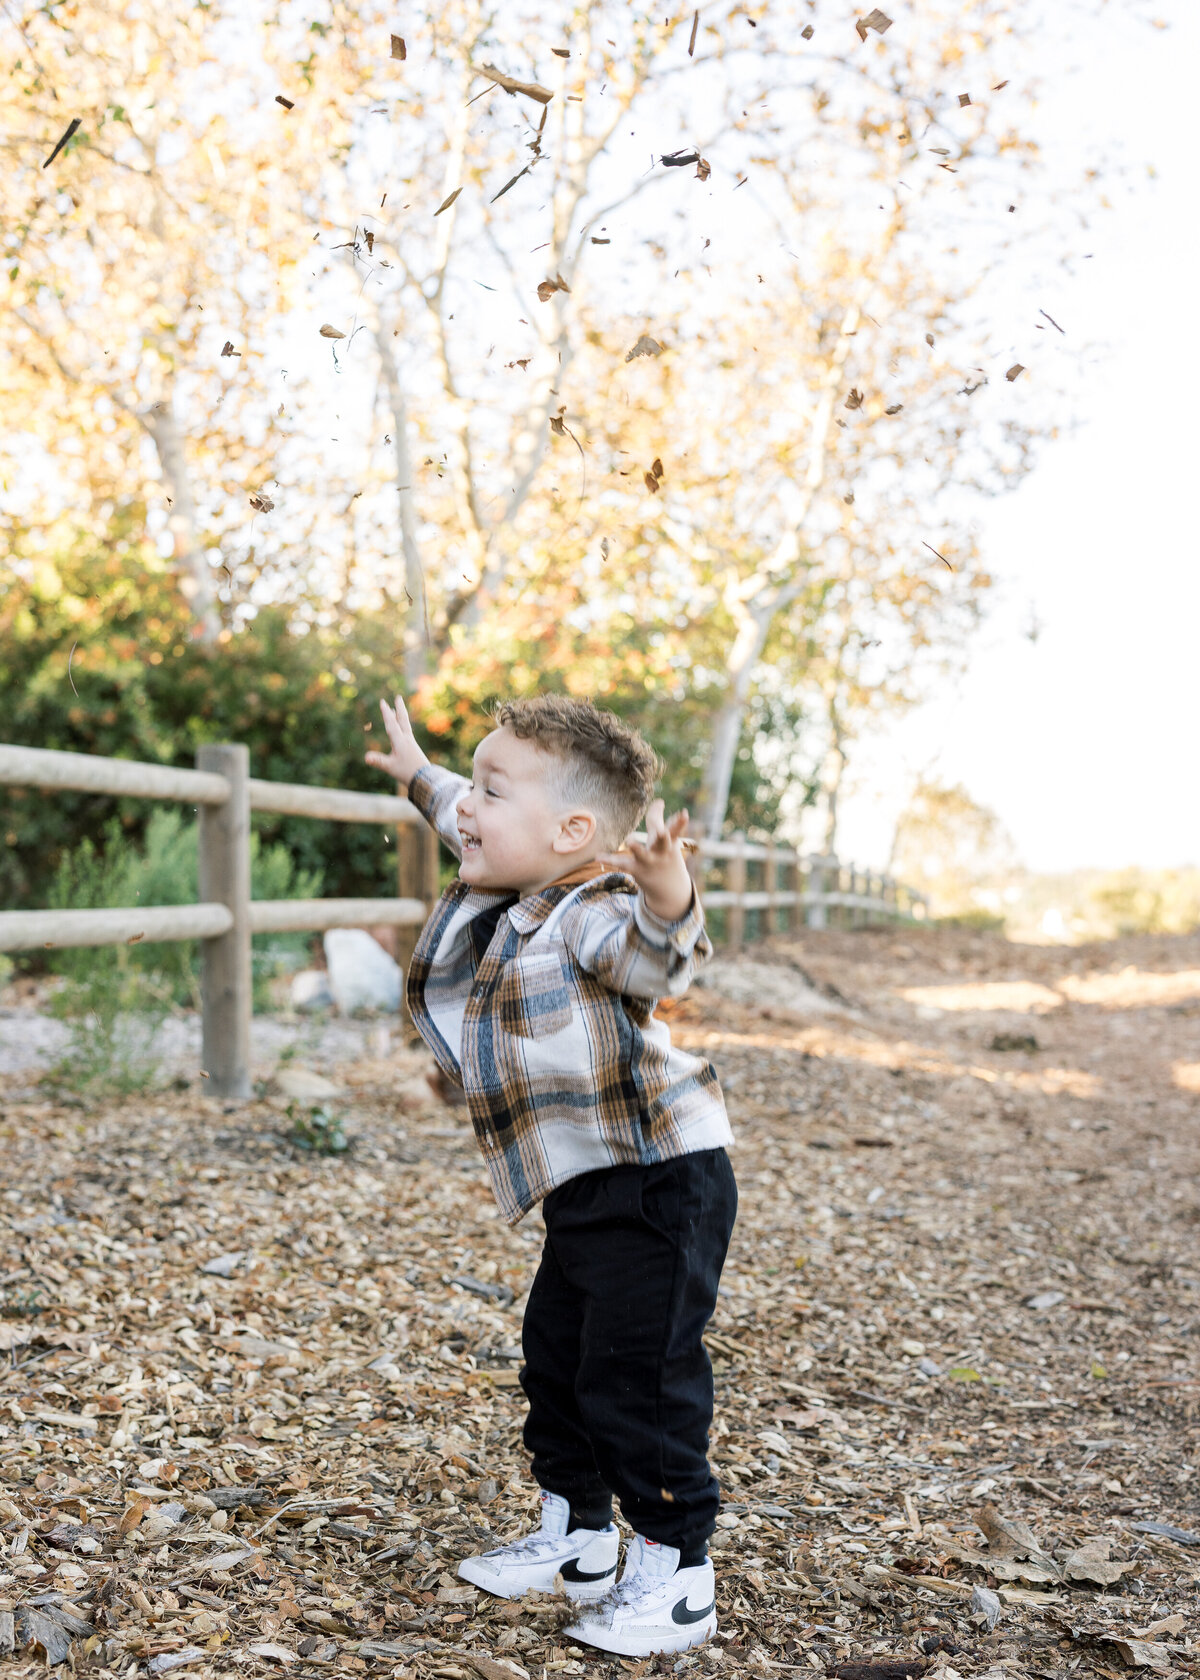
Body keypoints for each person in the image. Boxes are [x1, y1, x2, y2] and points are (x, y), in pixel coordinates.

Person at [366, 691, 737, 1659]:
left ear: (574, 831)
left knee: (636, 1378)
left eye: (493, 790)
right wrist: (416, 769)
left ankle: (676, 1574)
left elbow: (658, 958)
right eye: (472, 789)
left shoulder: (593, 907)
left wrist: (665, 892)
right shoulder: (519, 860)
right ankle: (578, 1539)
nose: (468, 813)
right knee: (557, 1361)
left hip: (658, 1181)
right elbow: (457, 805)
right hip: (588, 1189)